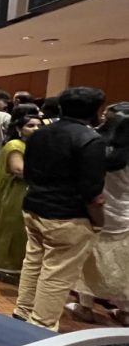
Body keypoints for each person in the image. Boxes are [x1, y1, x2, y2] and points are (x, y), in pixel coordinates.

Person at [13, 87, 107, 331]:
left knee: (33, 261)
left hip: (33, 207)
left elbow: (30, 173)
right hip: (68, 215)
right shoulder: (91, 140)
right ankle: (41, 327)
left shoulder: (40, 134)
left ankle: (23, 311)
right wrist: (99, 221)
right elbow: (91, 191)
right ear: (96, 110)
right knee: (57, 273)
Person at [66, 110, 129, 326]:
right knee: (123, 264)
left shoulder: (97, 152)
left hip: (96, 212)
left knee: (89, 261)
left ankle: (86, 307)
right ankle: (125, 311)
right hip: (125, 216)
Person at [0, 105, 42, 277]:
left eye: (38, 125)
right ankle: (3, 265)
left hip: (28, 190)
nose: (36, 129)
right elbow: (18, 170)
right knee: (11, 228)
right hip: (15, 193)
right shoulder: (16, 145)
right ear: (18, 128)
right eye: (30, 125)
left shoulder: (33, 145)